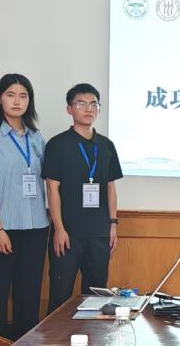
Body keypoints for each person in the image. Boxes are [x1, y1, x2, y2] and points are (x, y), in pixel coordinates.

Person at [0, 73, 49, 346]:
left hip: (35, 226)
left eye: (23, 96)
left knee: (28, 296)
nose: (17, 101)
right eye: (10, 95)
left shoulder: (36, 138)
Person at [43, 84, 123, 312]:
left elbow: (110, 188)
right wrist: (59, 228)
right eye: (81, 104)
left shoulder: (106, 146)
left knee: (96, 295)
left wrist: (112, 225)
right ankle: (56, 336)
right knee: (60, 294)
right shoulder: (57, 144)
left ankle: (92, 336)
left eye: (93, 104)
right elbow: (52, 189)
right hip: (68, 233)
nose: (89, 109)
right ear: (69, 109)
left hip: (99, 232)